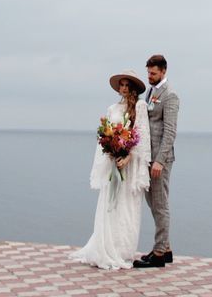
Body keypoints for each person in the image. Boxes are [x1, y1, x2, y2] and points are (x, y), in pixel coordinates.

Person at [68, 72, 152, 270]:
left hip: (129, 165)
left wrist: (129, 156)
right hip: (114, 163)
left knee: (127, 206)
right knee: (110, 205)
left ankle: (123, 250)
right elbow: (106, 135)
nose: (123, 88)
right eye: (121, 85)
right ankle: (105, 246)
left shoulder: (139, 106)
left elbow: (142, 134)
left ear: (133, 88)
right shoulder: (112, 108)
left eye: (127, 85)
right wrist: (112, 152)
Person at [133, 53, 179, 268]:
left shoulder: (170, 95)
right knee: (153, 203)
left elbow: (170, 131)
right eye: (148, 73)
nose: (149, 76)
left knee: (160, 205)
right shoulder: (151, 91)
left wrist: (160, 160)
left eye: (153, 73)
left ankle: (159, 253)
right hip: (149, 156)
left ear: (163, 71)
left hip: (161, 159)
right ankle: (166, 248)